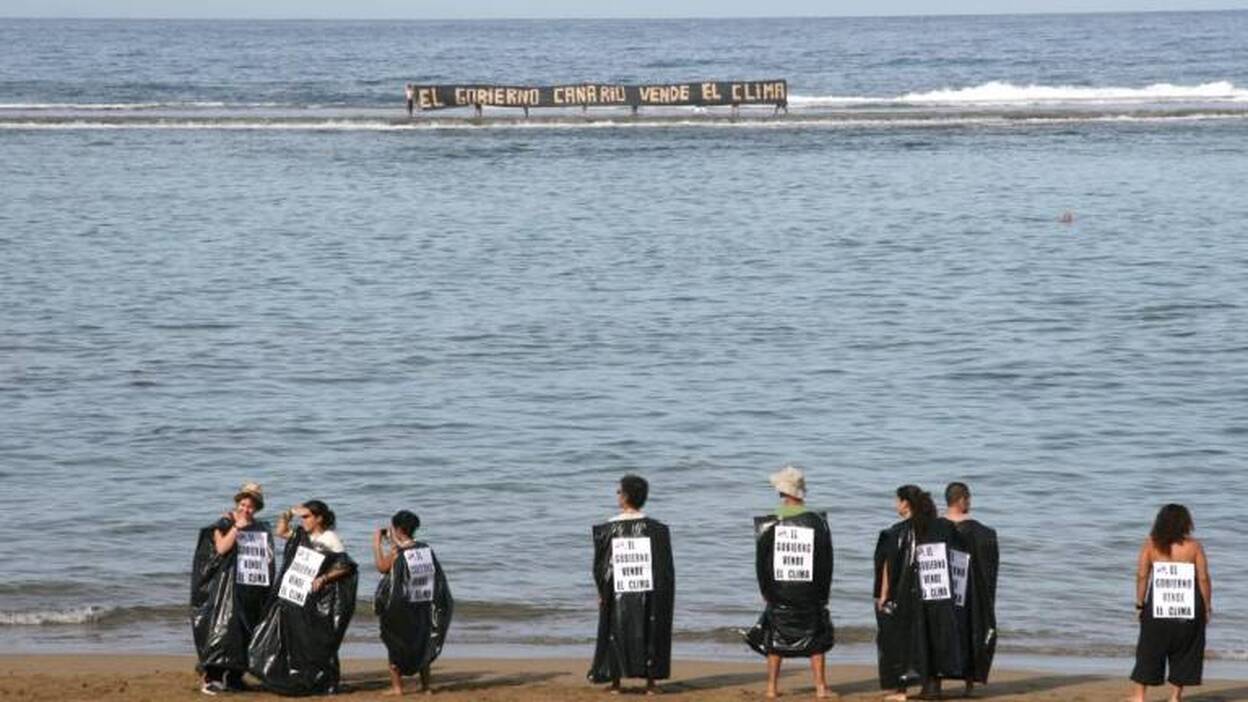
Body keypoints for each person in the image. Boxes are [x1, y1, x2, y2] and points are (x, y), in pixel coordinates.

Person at [248, 500, 359, 696]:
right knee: (295, 638)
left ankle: (324, 680)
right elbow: (280, 531)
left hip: (314, 599)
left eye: (307, 517)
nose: (303, 520)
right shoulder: (302, 535)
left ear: (319, 518)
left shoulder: (329, 537)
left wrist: (324, 577)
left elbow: (346, 565)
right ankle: (296, 675)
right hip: (295, 595)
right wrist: (289, 512)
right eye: (302, 517)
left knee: (316, 639)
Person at [744, 465, 834, 699]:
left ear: (782, 493)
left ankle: (772, 688)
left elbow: (761, 561)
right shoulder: (817, 522)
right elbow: (826, 561)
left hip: (779, 590)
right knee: (816, 636)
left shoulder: (771, 522)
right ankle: (821, 687)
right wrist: (824, 593)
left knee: (776, 635)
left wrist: (765, 589)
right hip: (810, 590)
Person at [874, 485, 963, 702]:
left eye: (897, 501)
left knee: (902, 639)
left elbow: (887, 566)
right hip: (938, 593)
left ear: (905, 503)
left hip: (907, 595)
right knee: (934, 635)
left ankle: (901, 691)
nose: (896, 505)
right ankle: (932, 687)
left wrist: (883, 595)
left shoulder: (896, 532)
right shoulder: (943, 527)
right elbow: (958, 557)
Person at [588, 474, 675, 694]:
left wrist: (601, 590)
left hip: (618, 589)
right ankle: (651, 684)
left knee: (614, 630)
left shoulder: (609, 528)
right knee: (651, 629)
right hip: (649, 589)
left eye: (619, 492)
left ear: (625, 497)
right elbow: (665, 569)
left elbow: (601, 566)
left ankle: (616, 682)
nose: (617, 495)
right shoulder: (657, 529)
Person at [191, 482, 274, 695]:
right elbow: (221, 548)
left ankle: (235, 677)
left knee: (246, 629)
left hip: (250, 586)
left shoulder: (260, 526)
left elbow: (265, 556)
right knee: (223, 631)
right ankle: (212, 678)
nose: (246, 509)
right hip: (226, 587)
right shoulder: (225, 522)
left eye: (251, 506)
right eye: (243, 504)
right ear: (237, 503)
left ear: (257, 508)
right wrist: (237, 526)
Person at [1128, 504, 1212, 702]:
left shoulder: (1151, 544)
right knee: (1186, 651)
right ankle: (1175, 697)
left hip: (1157, 607)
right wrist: (1207, 606)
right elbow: (1203, 579)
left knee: (1149, 650)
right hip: (1188, 607)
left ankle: (1139, 696)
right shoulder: (1194, 546)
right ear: (1186, 522)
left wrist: (1140, 603)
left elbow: (1142, 575)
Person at [373, 510, 454, 696]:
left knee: (394, 643)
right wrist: (395, 541)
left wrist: (376, 545)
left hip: (401, 606)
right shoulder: (425, 549)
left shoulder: (397, 552)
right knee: (422, 642)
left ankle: (397, 688)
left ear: (398, 530)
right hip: (423, 604)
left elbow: (382, 567)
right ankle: (426, 687)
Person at [938, 482, 999, 698]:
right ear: (962, 500)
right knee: (971, 630)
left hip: (939, 597)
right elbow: (988, 571)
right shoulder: (983, 532)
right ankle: (969, 685)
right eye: (969, 499)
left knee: (936, 632)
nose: (970, 503)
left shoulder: (932, 529)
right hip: (970, 596)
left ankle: (934, 683)